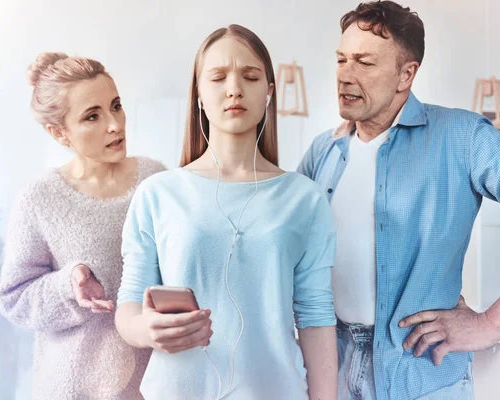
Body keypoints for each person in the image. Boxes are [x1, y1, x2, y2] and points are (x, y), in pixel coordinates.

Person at [298, 1, 500, 399]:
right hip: (333, 372)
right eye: (341, 59)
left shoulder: (462, 138)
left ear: (406, 74)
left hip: (423, 377)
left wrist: (490, 325)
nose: (344, 75)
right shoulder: (321, 153)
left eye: (364, 63)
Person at [115, 24, 338, 400]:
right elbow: (129, 306)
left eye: (250, 77)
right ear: (199, 95)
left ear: (269, 93)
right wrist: (146, 330)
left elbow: (316, 318)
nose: (234, 88)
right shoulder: (158, 193)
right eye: (218, 78)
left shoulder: (305, 198)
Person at [0, 52, 165, 399]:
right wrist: (69, 286)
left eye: (116, 106)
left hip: (154, 385)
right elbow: (15, 298)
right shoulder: (39, 198)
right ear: (58, 132)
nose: (115, 124)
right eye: (93, 116)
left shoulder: (156, 180)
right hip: (72, 389)